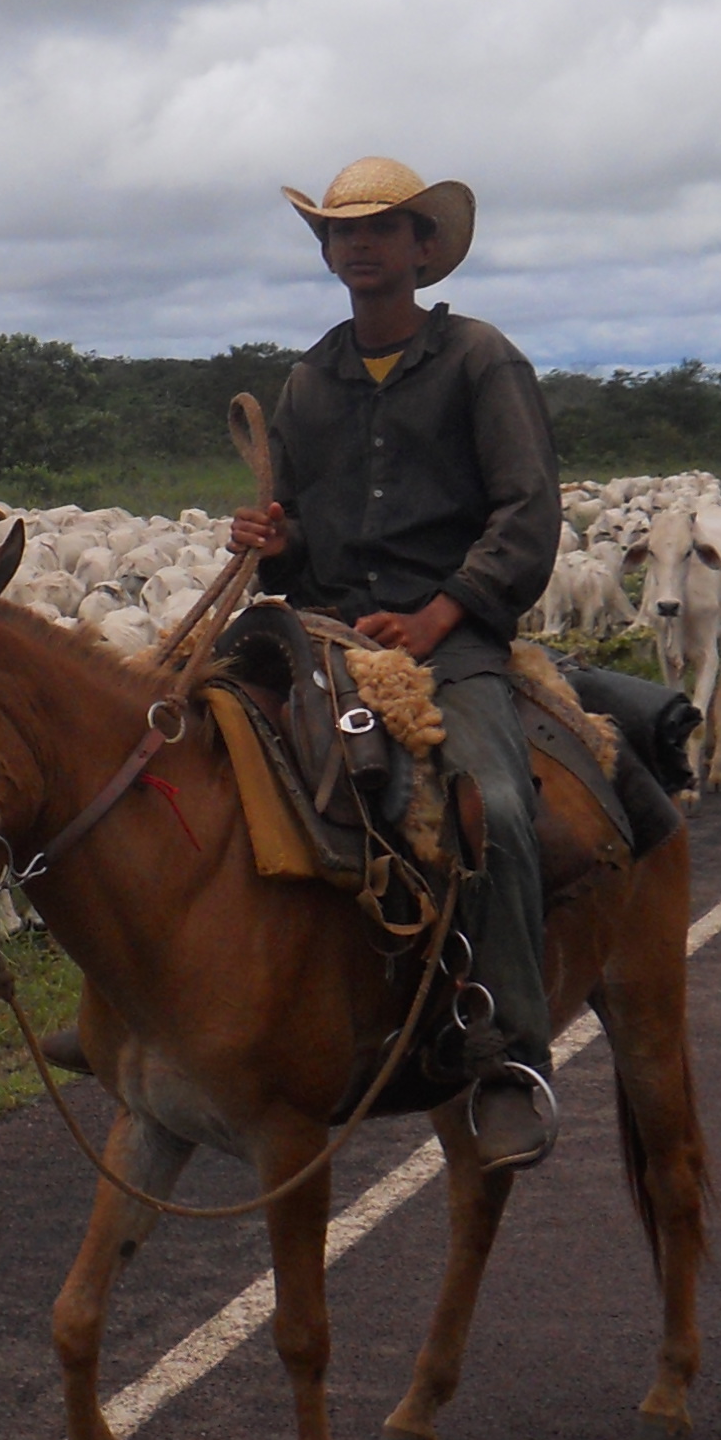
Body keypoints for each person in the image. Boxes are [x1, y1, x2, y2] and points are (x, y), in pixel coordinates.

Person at [229, 157, 564, 1171]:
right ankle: (157, 1013)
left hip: (449, 636)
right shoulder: (309, 382)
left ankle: (509, 1054)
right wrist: (270, 540)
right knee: (189, 757)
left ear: (423, 248)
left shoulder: (479, 362)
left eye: (382, 229)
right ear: (326, 254)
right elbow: (296, 537)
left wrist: (439, 612)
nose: (359, 247)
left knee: (494, 806)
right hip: (322, 633)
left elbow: (526, 513)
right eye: (340, 233)